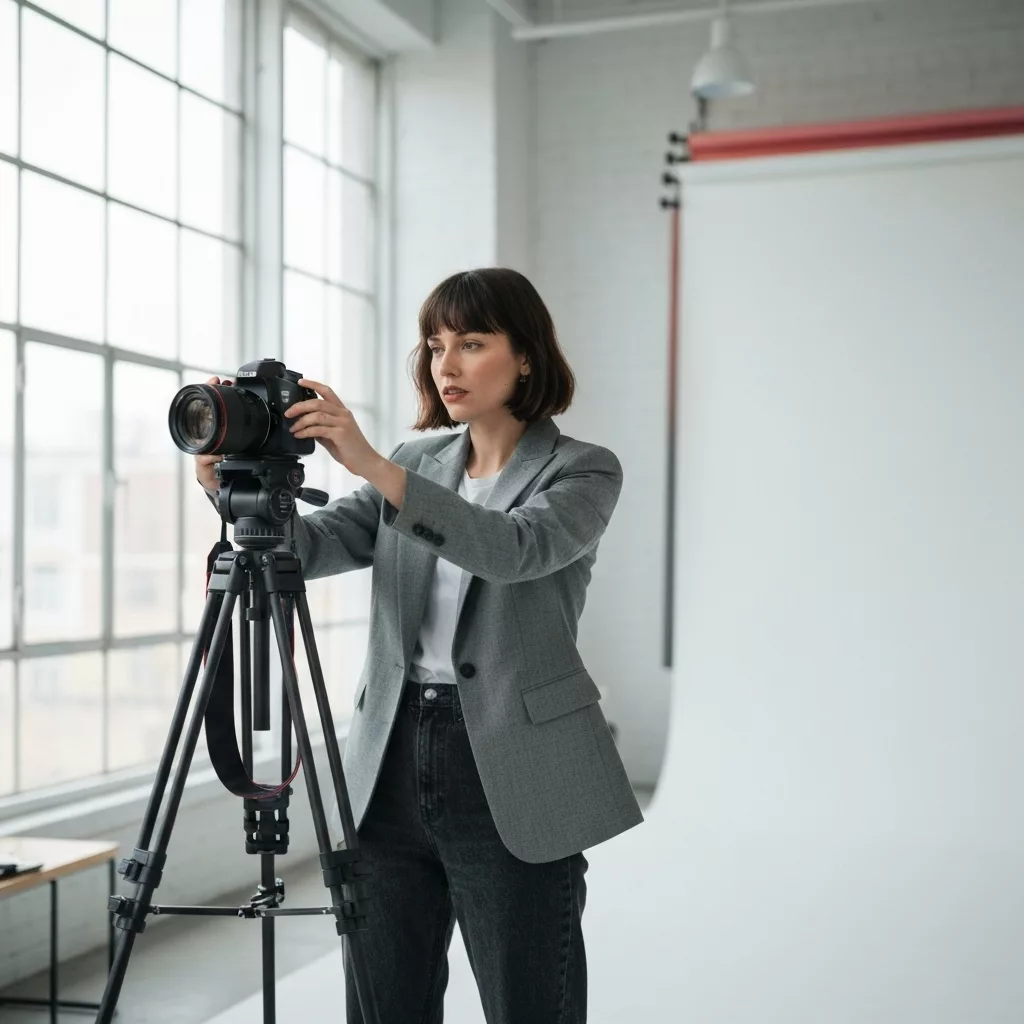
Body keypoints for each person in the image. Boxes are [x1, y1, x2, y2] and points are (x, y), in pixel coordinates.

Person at [195, 267, 644, 1023]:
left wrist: (370, 463)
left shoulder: (582, 469)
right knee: (383, 1004)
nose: (447, 364)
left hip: (510, 765)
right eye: (436, 345)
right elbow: (308, 548)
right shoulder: (416, 462)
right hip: (389, 759)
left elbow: (511, 550)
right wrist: (226, 488)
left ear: (525, 355)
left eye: (472, 342)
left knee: (528, 1004)